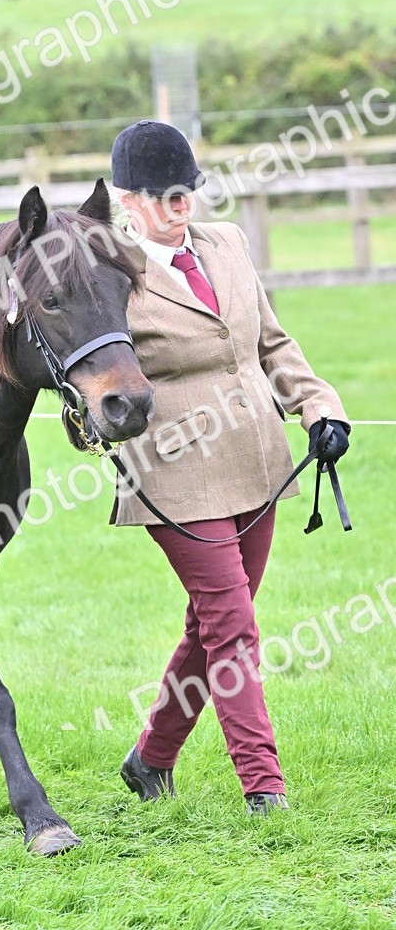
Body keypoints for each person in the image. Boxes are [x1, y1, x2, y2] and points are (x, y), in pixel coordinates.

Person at [109, 119, 350, 815]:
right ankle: (264, 786)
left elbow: (271, 343)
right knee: (234, 627)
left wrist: (319, 409)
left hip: (259, 460)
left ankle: (150, 759)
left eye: (189, 189)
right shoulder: (111, 275)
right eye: (165, 194)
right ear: (128, 200)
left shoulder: (229, 244)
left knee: (213, 622)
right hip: (173, 476)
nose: (183, 203)